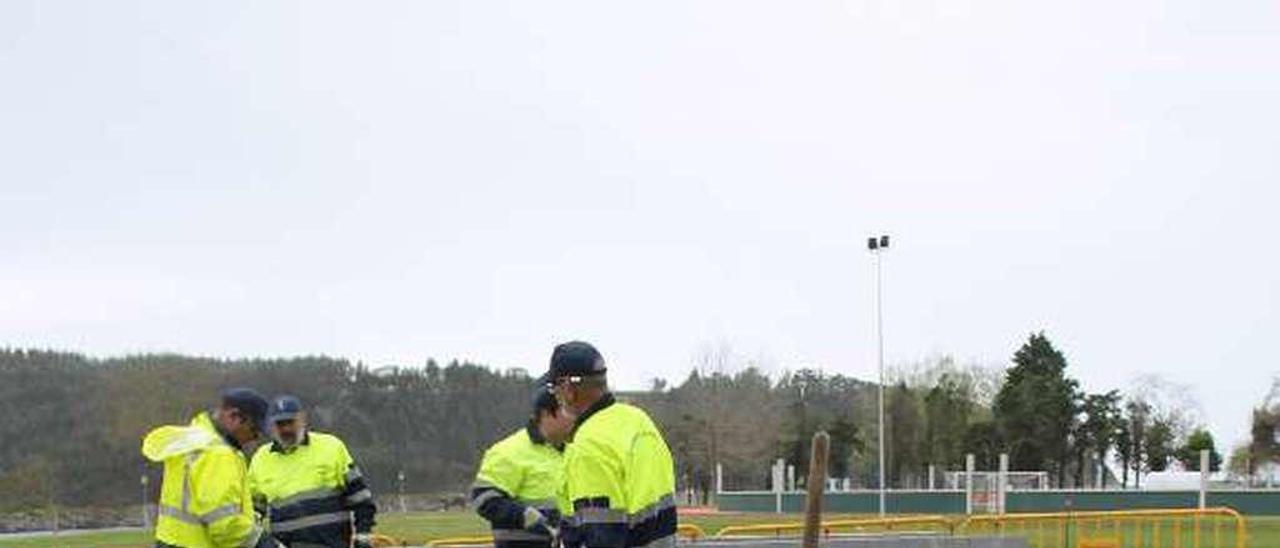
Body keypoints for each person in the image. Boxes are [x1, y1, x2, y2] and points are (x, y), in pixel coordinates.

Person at [547, 342, 677, 548]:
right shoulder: (638, 420)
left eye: (554, 388)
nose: (555, 396)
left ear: (568, 388)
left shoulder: (589, 445)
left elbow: (601, 535)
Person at [142, 387, 282, 548]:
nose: (255, 438)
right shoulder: (219, 455)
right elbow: (225, 526)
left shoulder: (192, 442)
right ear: (234, 416)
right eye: (254, 429)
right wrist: (267, 545)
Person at [247, 396, 378, 548]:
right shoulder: (260, 459)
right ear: (271, 426)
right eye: (280, 424)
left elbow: (361, 500)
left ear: (302, 419)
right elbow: (252, 515)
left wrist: (363, 537)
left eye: (290, 422)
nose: (286, 429)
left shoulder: (331, 447)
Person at [471, 376, 576, 548]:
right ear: (547, 414)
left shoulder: (576, 452)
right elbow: (484, 499)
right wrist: (530, 518)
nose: (577, 419)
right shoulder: (508, 451)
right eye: (571, 412)